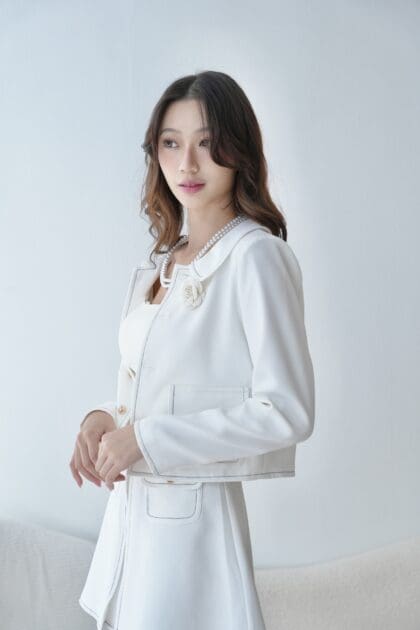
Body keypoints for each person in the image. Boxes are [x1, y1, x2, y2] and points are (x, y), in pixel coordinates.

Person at [70, 70, 316, 630]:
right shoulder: (159, 263)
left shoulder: (256, 257)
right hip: (132, 525)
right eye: (170, 143)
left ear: (238, 149)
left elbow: (287, 411)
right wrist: (105, 420)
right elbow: (162, 386)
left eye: (207, 143)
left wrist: (146, 439)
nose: (187, 164)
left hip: (195, 536)